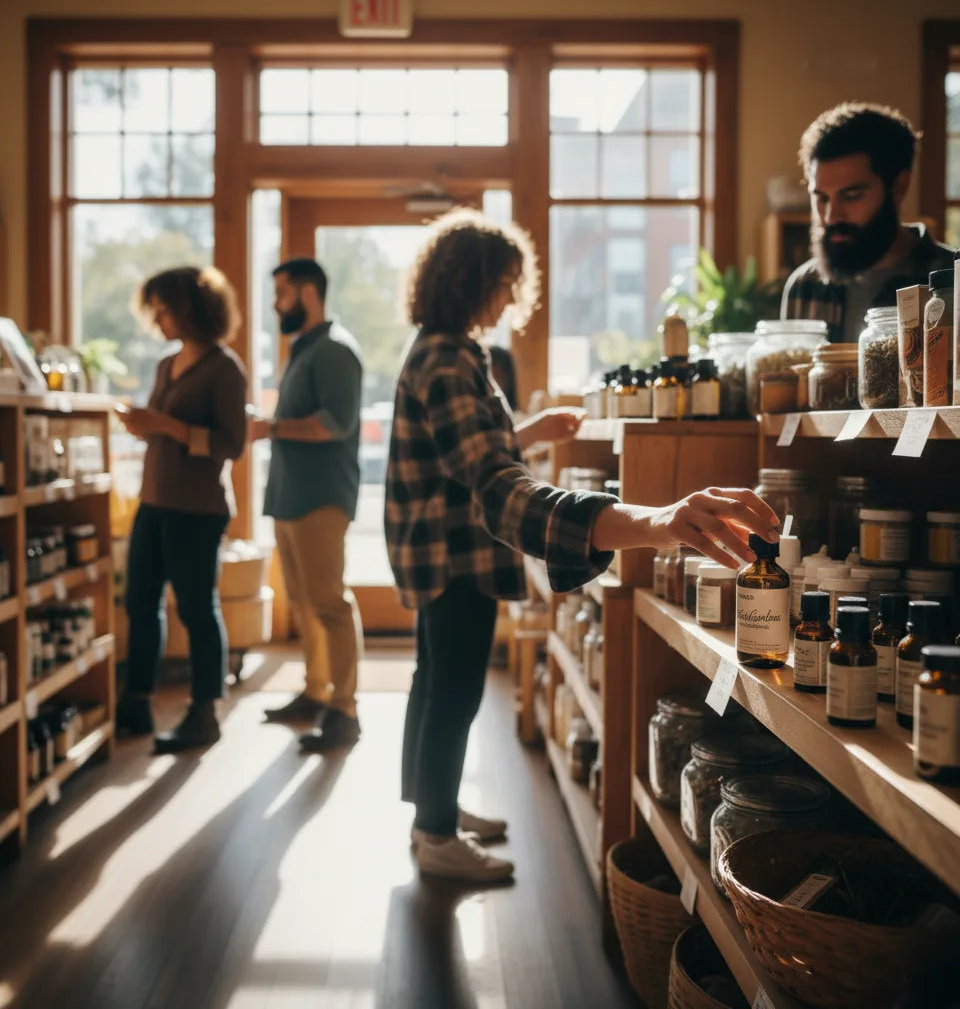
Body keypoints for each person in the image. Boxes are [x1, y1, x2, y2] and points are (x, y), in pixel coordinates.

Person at [386, 209, 780, 884]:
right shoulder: (450, 358)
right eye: (505, 284)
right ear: (473, 281)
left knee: (435, 682)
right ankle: (435, 833)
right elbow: (493, 485)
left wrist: (528, 430)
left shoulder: (443, 349)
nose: (512, 298)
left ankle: (434, 806)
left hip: (437, 550)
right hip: (457, 556)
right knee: (452, 690)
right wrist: (654, 521)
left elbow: (468, 454)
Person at [115, 266, 247, 753]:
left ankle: (204, 712)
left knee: (196, 608)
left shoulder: (224, 368)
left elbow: (232, 445)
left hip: (197, 508)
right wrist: (144, 425)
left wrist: (167, 427)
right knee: (140, 604)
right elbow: (162, 426)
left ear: (191, 308)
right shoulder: (167, 363)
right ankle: (136, 702)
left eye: (165, 307)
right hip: (154, 499)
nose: (159, 317)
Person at [250, 258, 365, 753]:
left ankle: (345, 710)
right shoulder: (303, 349)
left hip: (321, 497)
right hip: (290, 496)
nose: (276, 304)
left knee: (330, 603)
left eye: (282, 294)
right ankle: (316, 692)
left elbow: (333, 424)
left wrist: (268, 426)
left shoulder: (336, 352)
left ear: (309, 294)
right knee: (303, 603)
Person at [781, 101, 956, 342]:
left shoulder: (952, 281)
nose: (831, 216)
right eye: (821, 198)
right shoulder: (804, 288)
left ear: (899, 187)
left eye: (851, 196)